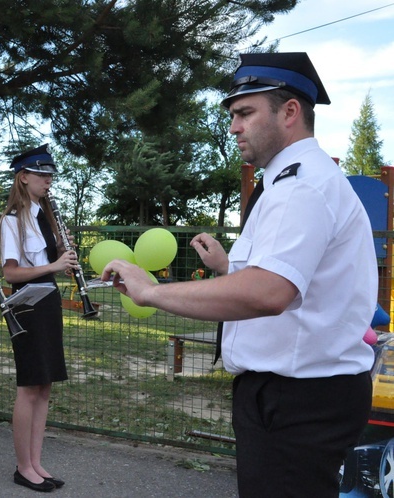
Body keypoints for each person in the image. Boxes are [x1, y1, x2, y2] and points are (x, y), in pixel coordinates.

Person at [101, 52, 377, 497]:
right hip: (296, 392)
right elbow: (284, 280)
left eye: (245, 113)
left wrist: (151, 291)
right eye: (233, 115)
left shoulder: (301, 186)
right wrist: (230, 268)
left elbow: (268, 293)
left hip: (298, 397)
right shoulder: (291, 181)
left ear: (290, 112)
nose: (233, 127)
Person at [0, 144, 77, 492]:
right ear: (23, 177)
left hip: (47, 302)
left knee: (44, 386)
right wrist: (55, 265)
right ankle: (22, 466)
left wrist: (62, 250)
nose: (48, 180)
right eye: (41, 175)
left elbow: (48, 265)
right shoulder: (11, 220)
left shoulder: (44, 215)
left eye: (50, 175)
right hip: (26, 305)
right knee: (29, 387)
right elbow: (11, 274)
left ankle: (36, 461)